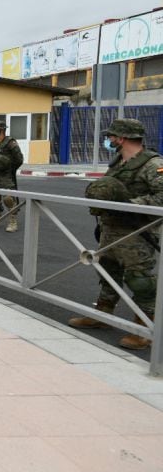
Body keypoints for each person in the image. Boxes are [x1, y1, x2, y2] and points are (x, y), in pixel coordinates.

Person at [68, 118, 163, 350]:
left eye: (112, 136)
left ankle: (146, 328)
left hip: (137, 232)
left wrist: (129, 204)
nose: (109, 140)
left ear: (122, 138)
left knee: (139, 279)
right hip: (111, 229)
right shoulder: (119, 162)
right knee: (109, 271)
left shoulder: (152, 164)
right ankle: (102, 314)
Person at [0, 120, 23, 233]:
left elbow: (19, 159)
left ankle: (13, 222)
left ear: (1, 130)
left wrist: (10, 169)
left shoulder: (10, 143)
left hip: (6, 175)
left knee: (8, 198)